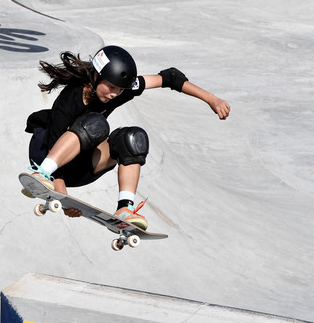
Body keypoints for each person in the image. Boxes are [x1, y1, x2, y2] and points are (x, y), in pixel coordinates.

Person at [24, 45, 230, 230]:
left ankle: (125, 208)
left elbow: (170, 77)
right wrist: (63, 197)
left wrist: (212, 99)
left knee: (133, 138)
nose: (115, 93)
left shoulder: (120, 89)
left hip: (80, 166)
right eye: (111, 87)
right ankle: (41, 174)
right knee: (96, 124)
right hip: (47, 157)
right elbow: (53, 144)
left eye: (120, 89)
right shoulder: (69, 99)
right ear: (95, 76)